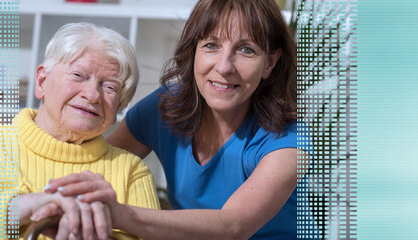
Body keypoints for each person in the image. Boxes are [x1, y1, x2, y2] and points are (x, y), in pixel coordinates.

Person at [41, 0, 313, 239]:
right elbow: (98, 164)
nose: (224, 66)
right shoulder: (165, 106)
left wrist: (120, 214)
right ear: (193, 51)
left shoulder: (289, 138)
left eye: (246, 50)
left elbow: (234, 227)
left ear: (270, 63)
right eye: (211, 45)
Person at [0, 22, 160, 240]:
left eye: (110, 87)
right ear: (42, 81)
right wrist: (14, 210)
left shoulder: (131, 172)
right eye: (78, 75)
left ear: (119, 106)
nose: (93, 95)